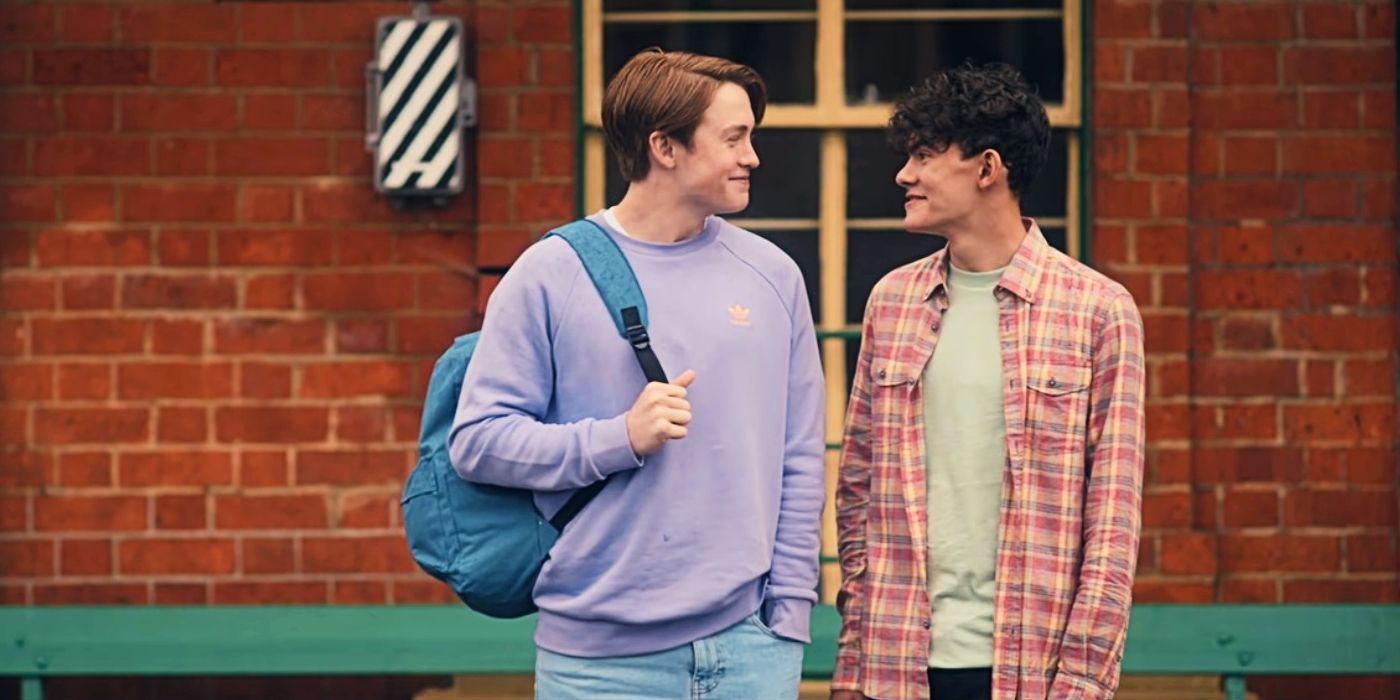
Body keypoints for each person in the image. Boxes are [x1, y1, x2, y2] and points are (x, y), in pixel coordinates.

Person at [450, 48, 825, 700]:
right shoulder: (551, 273)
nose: (753, 157)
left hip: (751, 649)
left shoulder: (774, 277)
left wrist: (788, 617)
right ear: (665, 147)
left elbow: (799, 456)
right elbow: (478, 441)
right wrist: (617, 438)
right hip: (600, 666)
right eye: (734, 138)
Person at [831, 63, 1146, 700]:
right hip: (896, 668)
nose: (904, 175)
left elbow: (1111, 525)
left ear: (987, 168)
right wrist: (854, 663)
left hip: (1033, 673)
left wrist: (1082, 683)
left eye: (923, 155)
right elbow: (857, 495)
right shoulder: (891, 304)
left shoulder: (1098, 311)